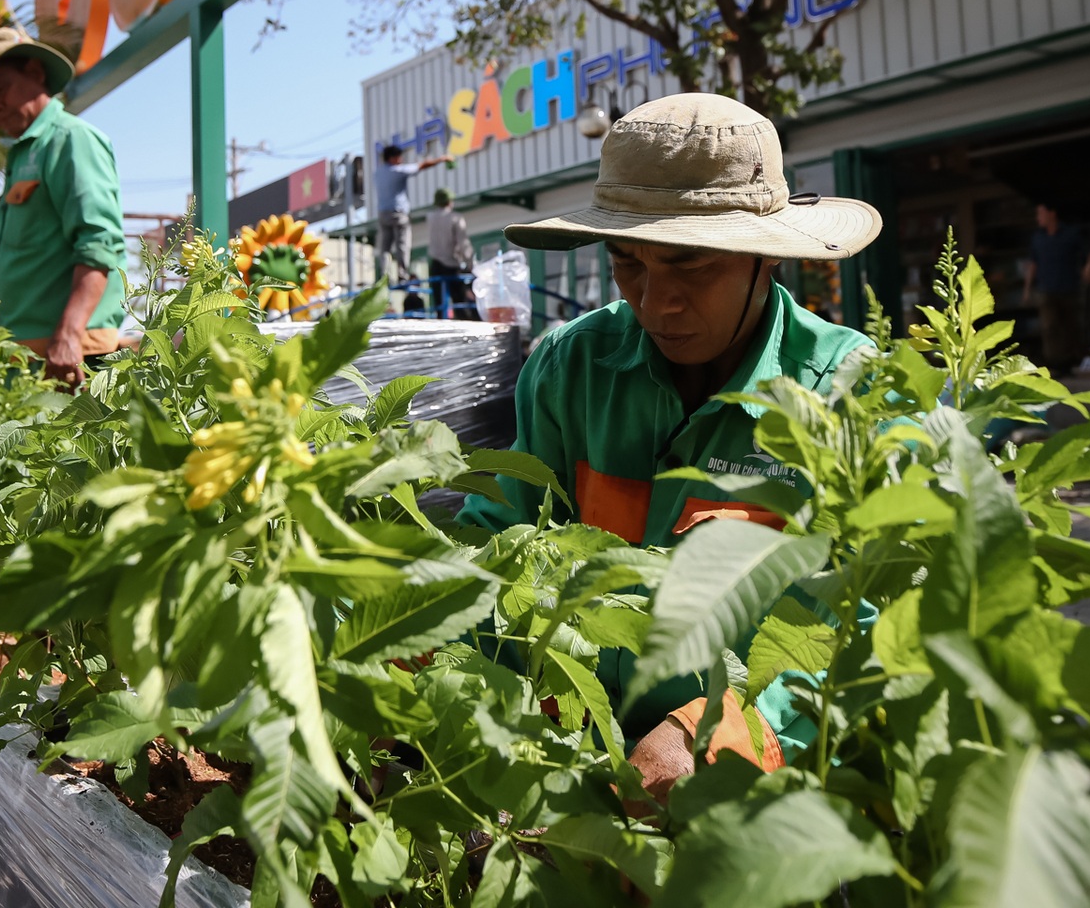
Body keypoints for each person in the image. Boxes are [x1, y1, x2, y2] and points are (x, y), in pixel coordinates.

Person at [454, 93, 882, 803]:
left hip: (763, 796)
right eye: (628, 263)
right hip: (570, 761)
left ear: (763, 258)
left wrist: (712, 734)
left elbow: (865, 623)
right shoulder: (571, 367)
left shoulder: (847, 393)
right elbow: (500, 537)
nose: (656, 302)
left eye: (691, 265)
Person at [0, 26, 128, 389]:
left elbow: (99, 244)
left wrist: (69, 335)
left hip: (69, 359)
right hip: (26, 360)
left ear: (35, 74)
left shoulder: (70, 140)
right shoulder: (24, 153)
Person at [1022, 200, 1090, 374]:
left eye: (1040, 214)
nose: (1038, 218)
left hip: (1068, 287)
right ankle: (1055, 362)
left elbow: (1089, 252)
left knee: (1069, 326)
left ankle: (1069, 362)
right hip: (1046, 289)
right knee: (1050, 327)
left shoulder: (1070, 234)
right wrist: (1027, 289)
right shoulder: (1038, 238)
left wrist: (1089, 267)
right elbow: (1033, 264)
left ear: (1051, 214)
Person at [374, 144, 448, 284]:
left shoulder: (378, 173)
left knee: (385, 247)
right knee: (402, 244)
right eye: (398, 157)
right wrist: (442, 159)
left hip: (383, 213)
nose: (401, 159)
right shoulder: (398, 171)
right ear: (392, 158)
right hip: (398, 213)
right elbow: (423, 165)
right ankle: (402, 274)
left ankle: (384, 275)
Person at [426, 188, 477, 320]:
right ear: (449, 201)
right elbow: (463, 242)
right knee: (459, 300)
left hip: (435, 264)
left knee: (439, 303)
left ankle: (441, 324)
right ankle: (464, 325)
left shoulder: (430, 217)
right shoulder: (455, 218)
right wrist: (470, 263)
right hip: (450, 264)